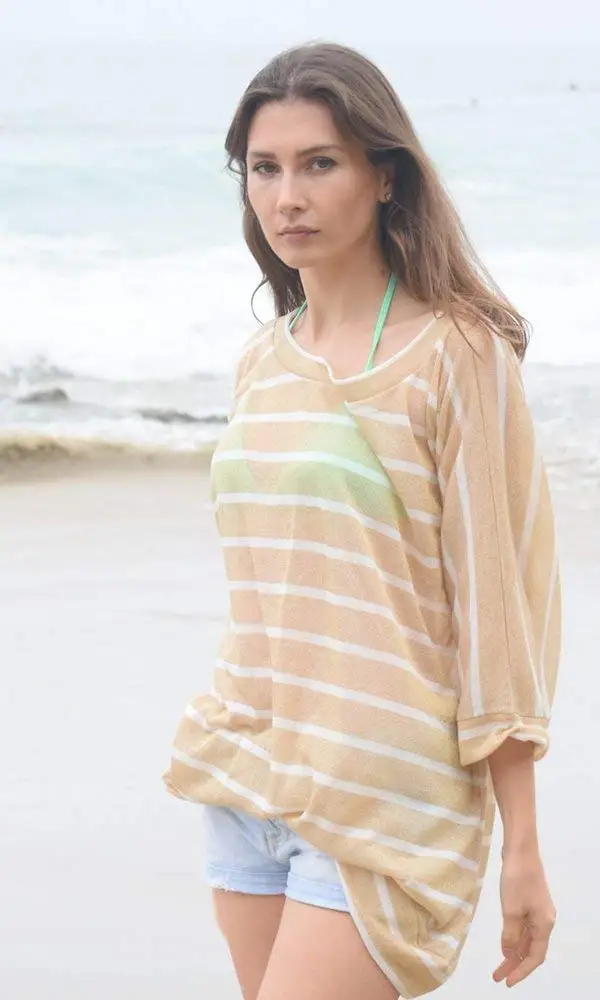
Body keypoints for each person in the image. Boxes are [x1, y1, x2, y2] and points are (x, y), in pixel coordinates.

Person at [163, 41, 561, 1000]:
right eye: (265, 169)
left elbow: (496, 607)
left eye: (319, 163)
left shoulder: (456, 354)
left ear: (386, 176)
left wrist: (522, 843)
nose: (287, 196)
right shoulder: (262, 363)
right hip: (247, 776)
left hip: (387, 800)